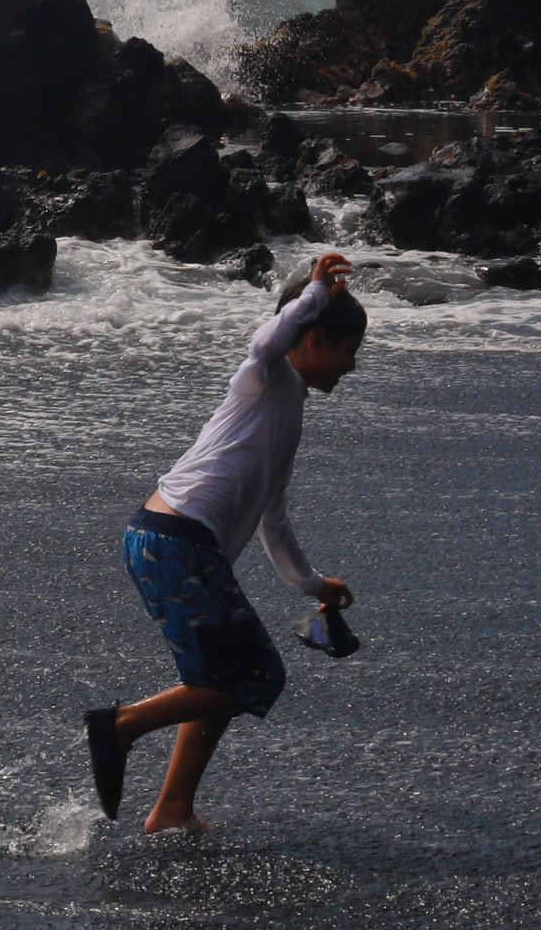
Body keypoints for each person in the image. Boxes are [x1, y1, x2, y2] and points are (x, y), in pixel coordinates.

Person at [84, 252, 364, 836]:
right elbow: (265, 343)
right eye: (349, 348)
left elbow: (274, 518)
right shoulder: (264, 379)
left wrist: (314, 585)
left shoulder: (288, 409)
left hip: (167, 541)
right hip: (174, 542)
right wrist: (313, 293)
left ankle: (172, 809)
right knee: (258, 677)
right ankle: (121, 727)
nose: (354, 364)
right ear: (315, 339)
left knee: (217, 681)